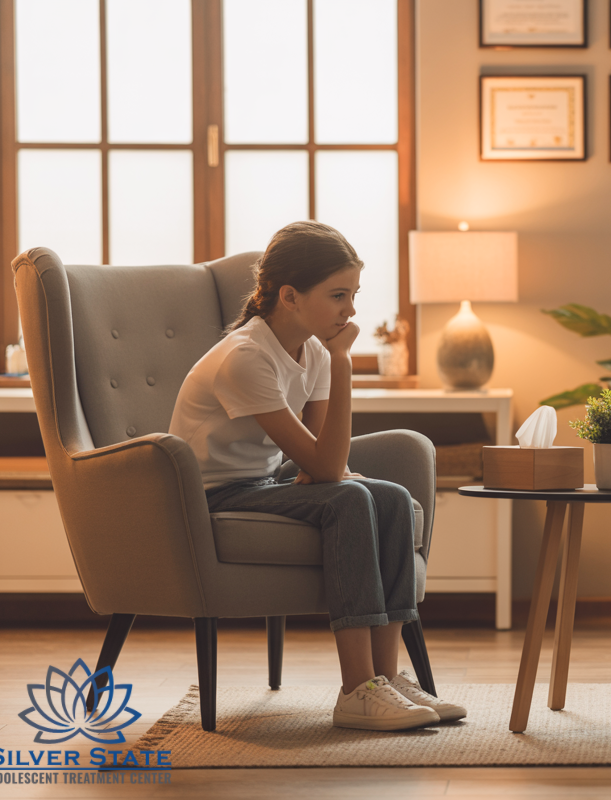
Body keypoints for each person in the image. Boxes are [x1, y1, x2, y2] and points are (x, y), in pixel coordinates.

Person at [168, 221, 466, 732]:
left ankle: (388, 679)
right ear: (289, 295)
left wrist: (327, 469)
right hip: (213, 498)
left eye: (353, 295)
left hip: (263, 482)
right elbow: (326, 466)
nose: (350, 310)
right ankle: (357, 690)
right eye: (337, 295)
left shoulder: (312, 349)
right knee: (348, 500)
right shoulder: (246, 358)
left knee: (391, 497)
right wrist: (344, 363)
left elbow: (323, 457)